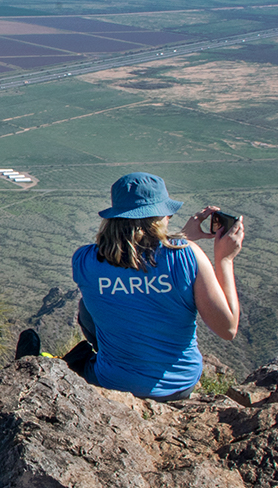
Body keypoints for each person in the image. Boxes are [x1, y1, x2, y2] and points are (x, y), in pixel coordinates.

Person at [55, 172, 243, 401]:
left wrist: (182, 237)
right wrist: (224, 259)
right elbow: (228, 328)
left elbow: (133, 270)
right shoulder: (187, 255)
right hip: (178, 387)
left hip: (113, 383)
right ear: (161, 215)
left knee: (88, 306)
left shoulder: (84, 260)